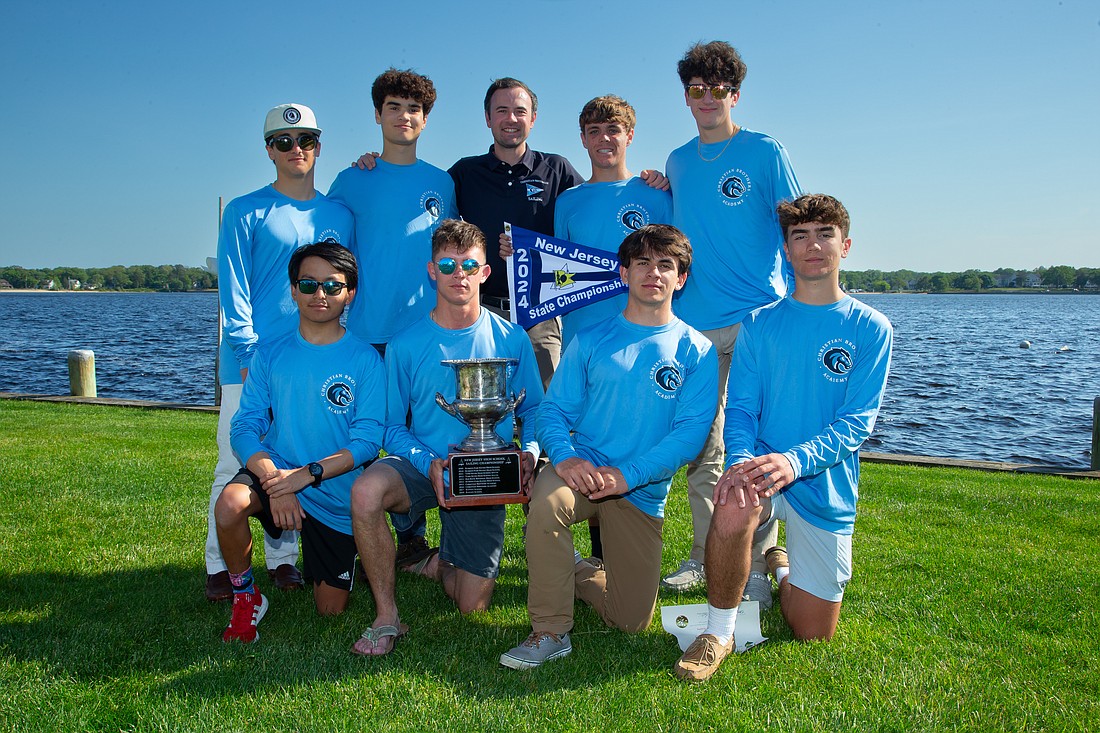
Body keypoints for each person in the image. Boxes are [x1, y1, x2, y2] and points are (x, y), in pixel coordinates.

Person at [673, 194, 893, 681]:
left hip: (822, 482)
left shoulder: (871, 327)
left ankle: (781, 566)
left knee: (813, 632)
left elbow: (857, 422)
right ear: (786, 250)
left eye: (824, 234)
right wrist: (744, 460)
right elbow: (743, 407)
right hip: (765, 471)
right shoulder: (759, 322)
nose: (812, 245)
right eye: (800, 236)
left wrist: (793, 462)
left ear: (846, 244)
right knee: (732, 498)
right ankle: (719, 631)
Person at [499, 224, 718, 669]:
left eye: (665, 265)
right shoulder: (592, 340)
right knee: (547, 503)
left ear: (681, 278)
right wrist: (566, 457)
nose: (653, 273)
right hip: (581, 470)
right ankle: (550, 631)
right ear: (623, 273)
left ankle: (579, 570)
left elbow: (689, 437)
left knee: (630, 621)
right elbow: (553, 413)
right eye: (642, 263)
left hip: (640, 490)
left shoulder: (697, 349)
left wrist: (627, 476)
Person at [349, 220, 542, 657]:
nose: (460, 273)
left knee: (471, 606)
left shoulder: (512, 338)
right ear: (432, 270)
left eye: (470, 264)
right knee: (365, 492)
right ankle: (385, 615)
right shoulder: (405, 344)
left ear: (485, 273)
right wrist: (427, 463)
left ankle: (431, 561)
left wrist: (527, 453)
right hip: (423, 466)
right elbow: (389, 426)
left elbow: (534, 411)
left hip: (485, 474)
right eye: (449, 264)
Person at [660, 41, 802, 601]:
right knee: (703, 447)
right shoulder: (676, 161)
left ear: (734, 95)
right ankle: (703, 555)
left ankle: (758, 560)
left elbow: (797, 227)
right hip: (692, 329)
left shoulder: (766, 152)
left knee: (752, 447)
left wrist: (797, 309)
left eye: (718, 90)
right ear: (686, 97)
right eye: (697, 90)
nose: (707, 99)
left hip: (755, 323)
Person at [206, 103, 354, 602]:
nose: (296, 150)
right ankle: (220, 565)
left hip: (316, 358)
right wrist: (247, 351)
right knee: (237, 458)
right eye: (283, 142)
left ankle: (283, 559)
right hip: (252, 360)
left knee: (299, 451)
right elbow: (235, 286)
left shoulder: (339, 213)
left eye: (306, 140)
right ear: (268, 149)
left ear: (319, 143)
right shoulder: (245, 210)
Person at [215, 242, 385, 643]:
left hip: (333, 492)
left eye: (332, 285)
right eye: (308, 285)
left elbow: (366, 443)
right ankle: (246, 597)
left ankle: (345, 553)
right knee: (229, 505)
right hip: (277, 473)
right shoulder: (270, 355)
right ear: (293, 291)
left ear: (351, 293)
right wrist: (276, 481)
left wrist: (305, 477)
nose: (319, 295)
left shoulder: (365, 360)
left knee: (329, 611)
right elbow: (244, 428)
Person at [328, 68, 458, 569]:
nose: (404, 117)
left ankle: (429, 536)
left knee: (427, 431)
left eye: (414, 109)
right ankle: (354, 535)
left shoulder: (440, 182)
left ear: (425, 120)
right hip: (367, 332)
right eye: (394, 107)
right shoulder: (352, 179)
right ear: (378, 114)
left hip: (426, 333)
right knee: (369, 435)